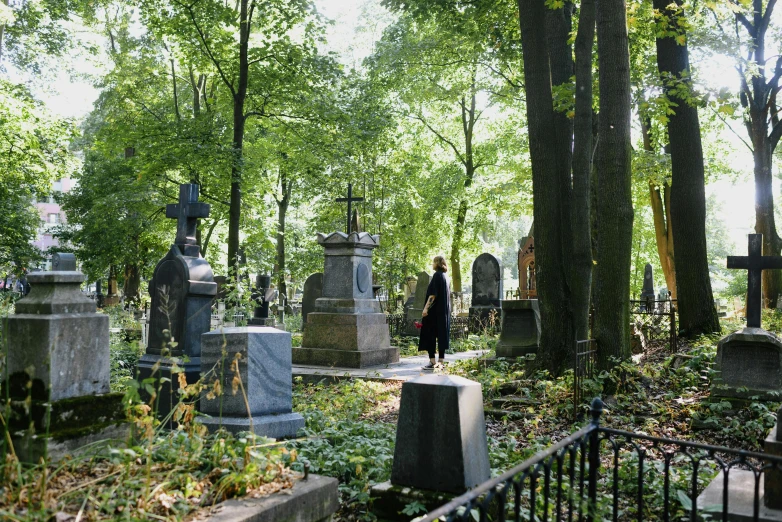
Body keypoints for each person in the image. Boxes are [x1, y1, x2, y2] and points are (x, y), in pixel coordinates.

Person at [419, 255, 451, 370]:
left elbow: (433, 295)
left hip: (434, 312)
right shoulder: (446, 277)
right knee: (442, 334)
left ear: (437, 263)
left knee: (429, 334)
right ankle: (441, 361)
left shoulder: (437, 275)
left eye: (433, 262)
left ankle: (432, 361)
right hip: (444, 311)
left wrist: (426, 308)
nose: (432, 264)